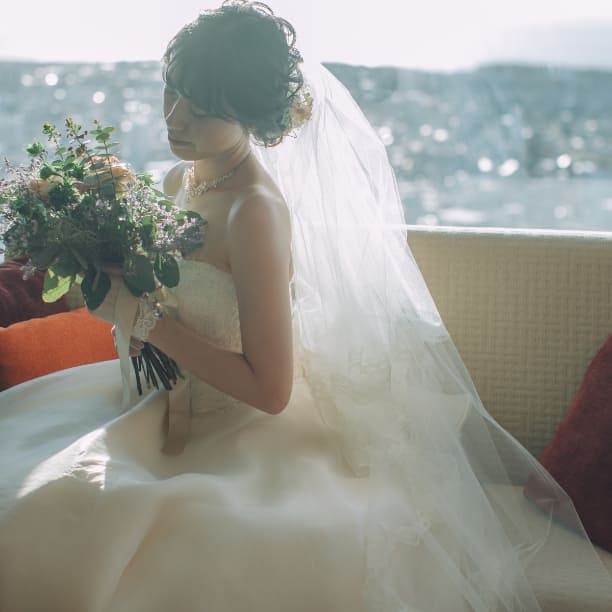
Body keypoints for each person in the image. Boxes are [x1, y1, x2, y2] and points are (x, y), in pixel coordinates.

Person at [0, 2, 610, 610]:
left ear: (251, 115)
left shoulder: (255, 213)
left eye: (202, 108)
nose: (175, 117)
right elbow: (169, 302)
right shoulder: (177, 181)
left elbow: (270, 390)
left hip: (234, 432)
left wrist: (144, 321)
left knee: (93, 530)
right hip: (148, 403)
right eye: (172, 90)